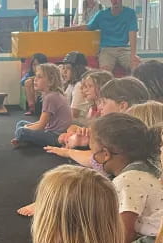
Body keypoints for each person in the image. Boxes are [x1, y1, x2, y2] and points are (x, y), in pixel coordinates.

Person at [17, 76, 149, 217]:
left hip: (118, 186)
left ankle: (57, 203)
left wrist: (68, 151)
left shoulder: (127, 131)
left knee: (74, 178)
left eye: (104, 102)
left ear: (122, 105)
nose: (100, 107)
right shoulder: (120, 127)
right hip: (116, 178)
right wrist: (79, 142)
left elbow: (97, 160)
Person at [89, 113, 163, 243]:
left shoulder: (127, 181)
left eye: (93, 150)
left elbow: (123, 239)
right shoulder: (145, 164)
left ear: (105, 154)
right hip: (150, 241)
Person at [58, 0, 140, 75]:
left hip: (124, 49)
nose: (115, 1)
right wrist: (67, 29)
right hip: (106, 49)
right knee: (105, 72)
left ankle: (135, 88)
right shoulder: (102, 14)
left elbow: (132, 34)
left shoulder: (130, 13)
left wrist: (133, 55)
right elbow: (88, 27)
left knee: (136, 66)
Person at [11, 63, 71, 148]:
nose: (35, 79)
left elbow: (41, 125)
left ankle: (23, 138)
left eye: (39, 77)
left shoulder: (50, 97)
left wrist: (26, 128)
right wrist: (27, 126)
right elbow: (42, 122)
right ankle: (25, 139)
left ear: (51, 81)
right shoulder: (52, 95)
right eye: (36, 76)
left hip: (56, 137)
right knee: (21, 123)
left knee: (21, 131)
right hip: (51, 131)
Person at [59, 51, 91, 124]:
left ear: (77, 69)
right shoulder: (71, 84)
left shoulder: (79, 85)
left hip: (79, 124)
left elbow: (74, 113)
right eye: (63, 68)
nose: (64, 71)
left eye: (68, 68)